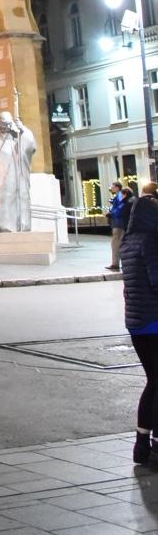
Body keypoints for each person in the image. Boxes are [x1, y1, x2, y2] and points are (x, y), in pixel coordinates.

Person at [122, 181, 158, 467]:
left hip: (137, 324)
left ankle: (143, 444)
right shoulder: (151, 241)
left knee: (154, 382)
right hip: (154, 321)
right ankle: (148, 445)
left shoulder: (129, 242)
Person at [108, 180, 134, 271]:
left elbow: (120, 208)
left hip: (118, 222)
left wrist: (112, 214)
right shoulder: (120, 196)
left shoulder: (120, 196)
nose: (111, 188)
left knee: (116, 242)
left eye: (113, 186)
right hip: (119, 222)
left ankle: (115, 263)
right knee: (118, 242)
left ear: (117, 187)